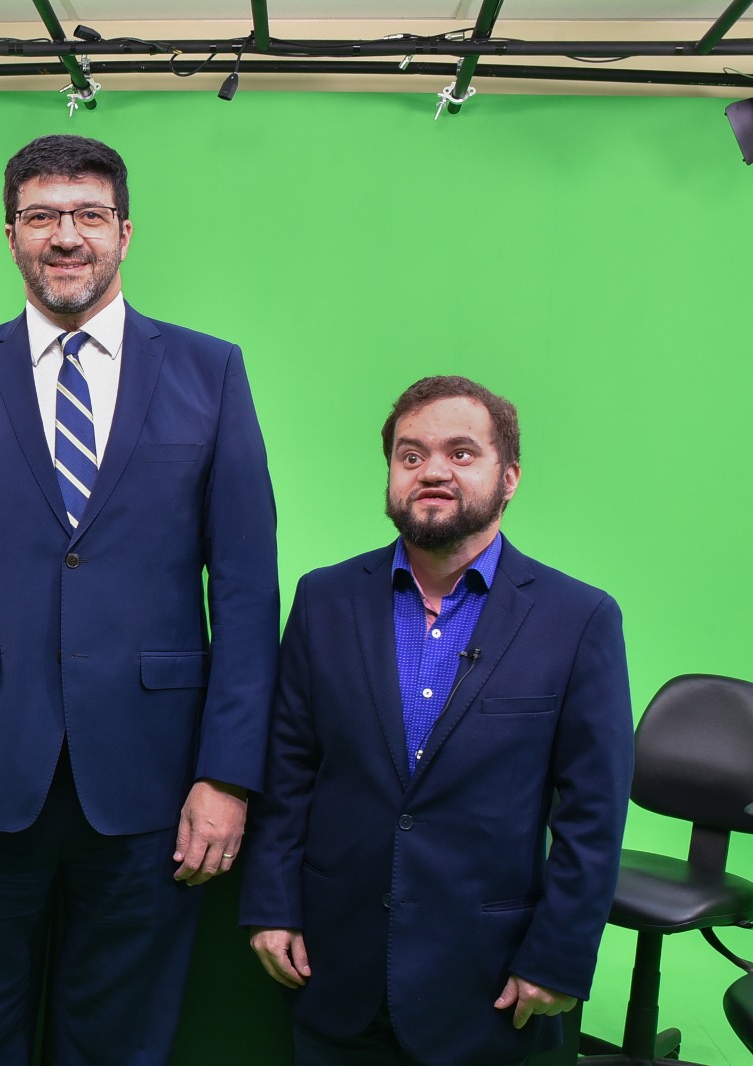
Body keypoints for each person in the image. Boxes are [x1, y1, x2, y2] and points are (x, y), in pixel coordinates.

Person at [0, 134, 280, 1064]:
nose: (66, 236)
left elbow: (249, 596)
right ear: (9, 235)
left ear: (125, 233)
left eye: (88, 215)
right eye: (43, 216)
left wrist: (227, 775)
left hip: (153, 781)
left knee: (120, 1040)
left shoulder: (210, 374)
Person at [240, 375, 633, 1066]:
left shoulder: (580, 621)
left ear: (509, 477)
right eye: (411, 455)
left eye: (461, 453)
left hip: (490, 986)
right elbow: (289, 768)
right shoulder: (325, 599)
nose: (432, 472)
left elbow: (592, 815)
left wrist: (561, 956)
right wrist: (272, 905)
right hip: (334, 968)